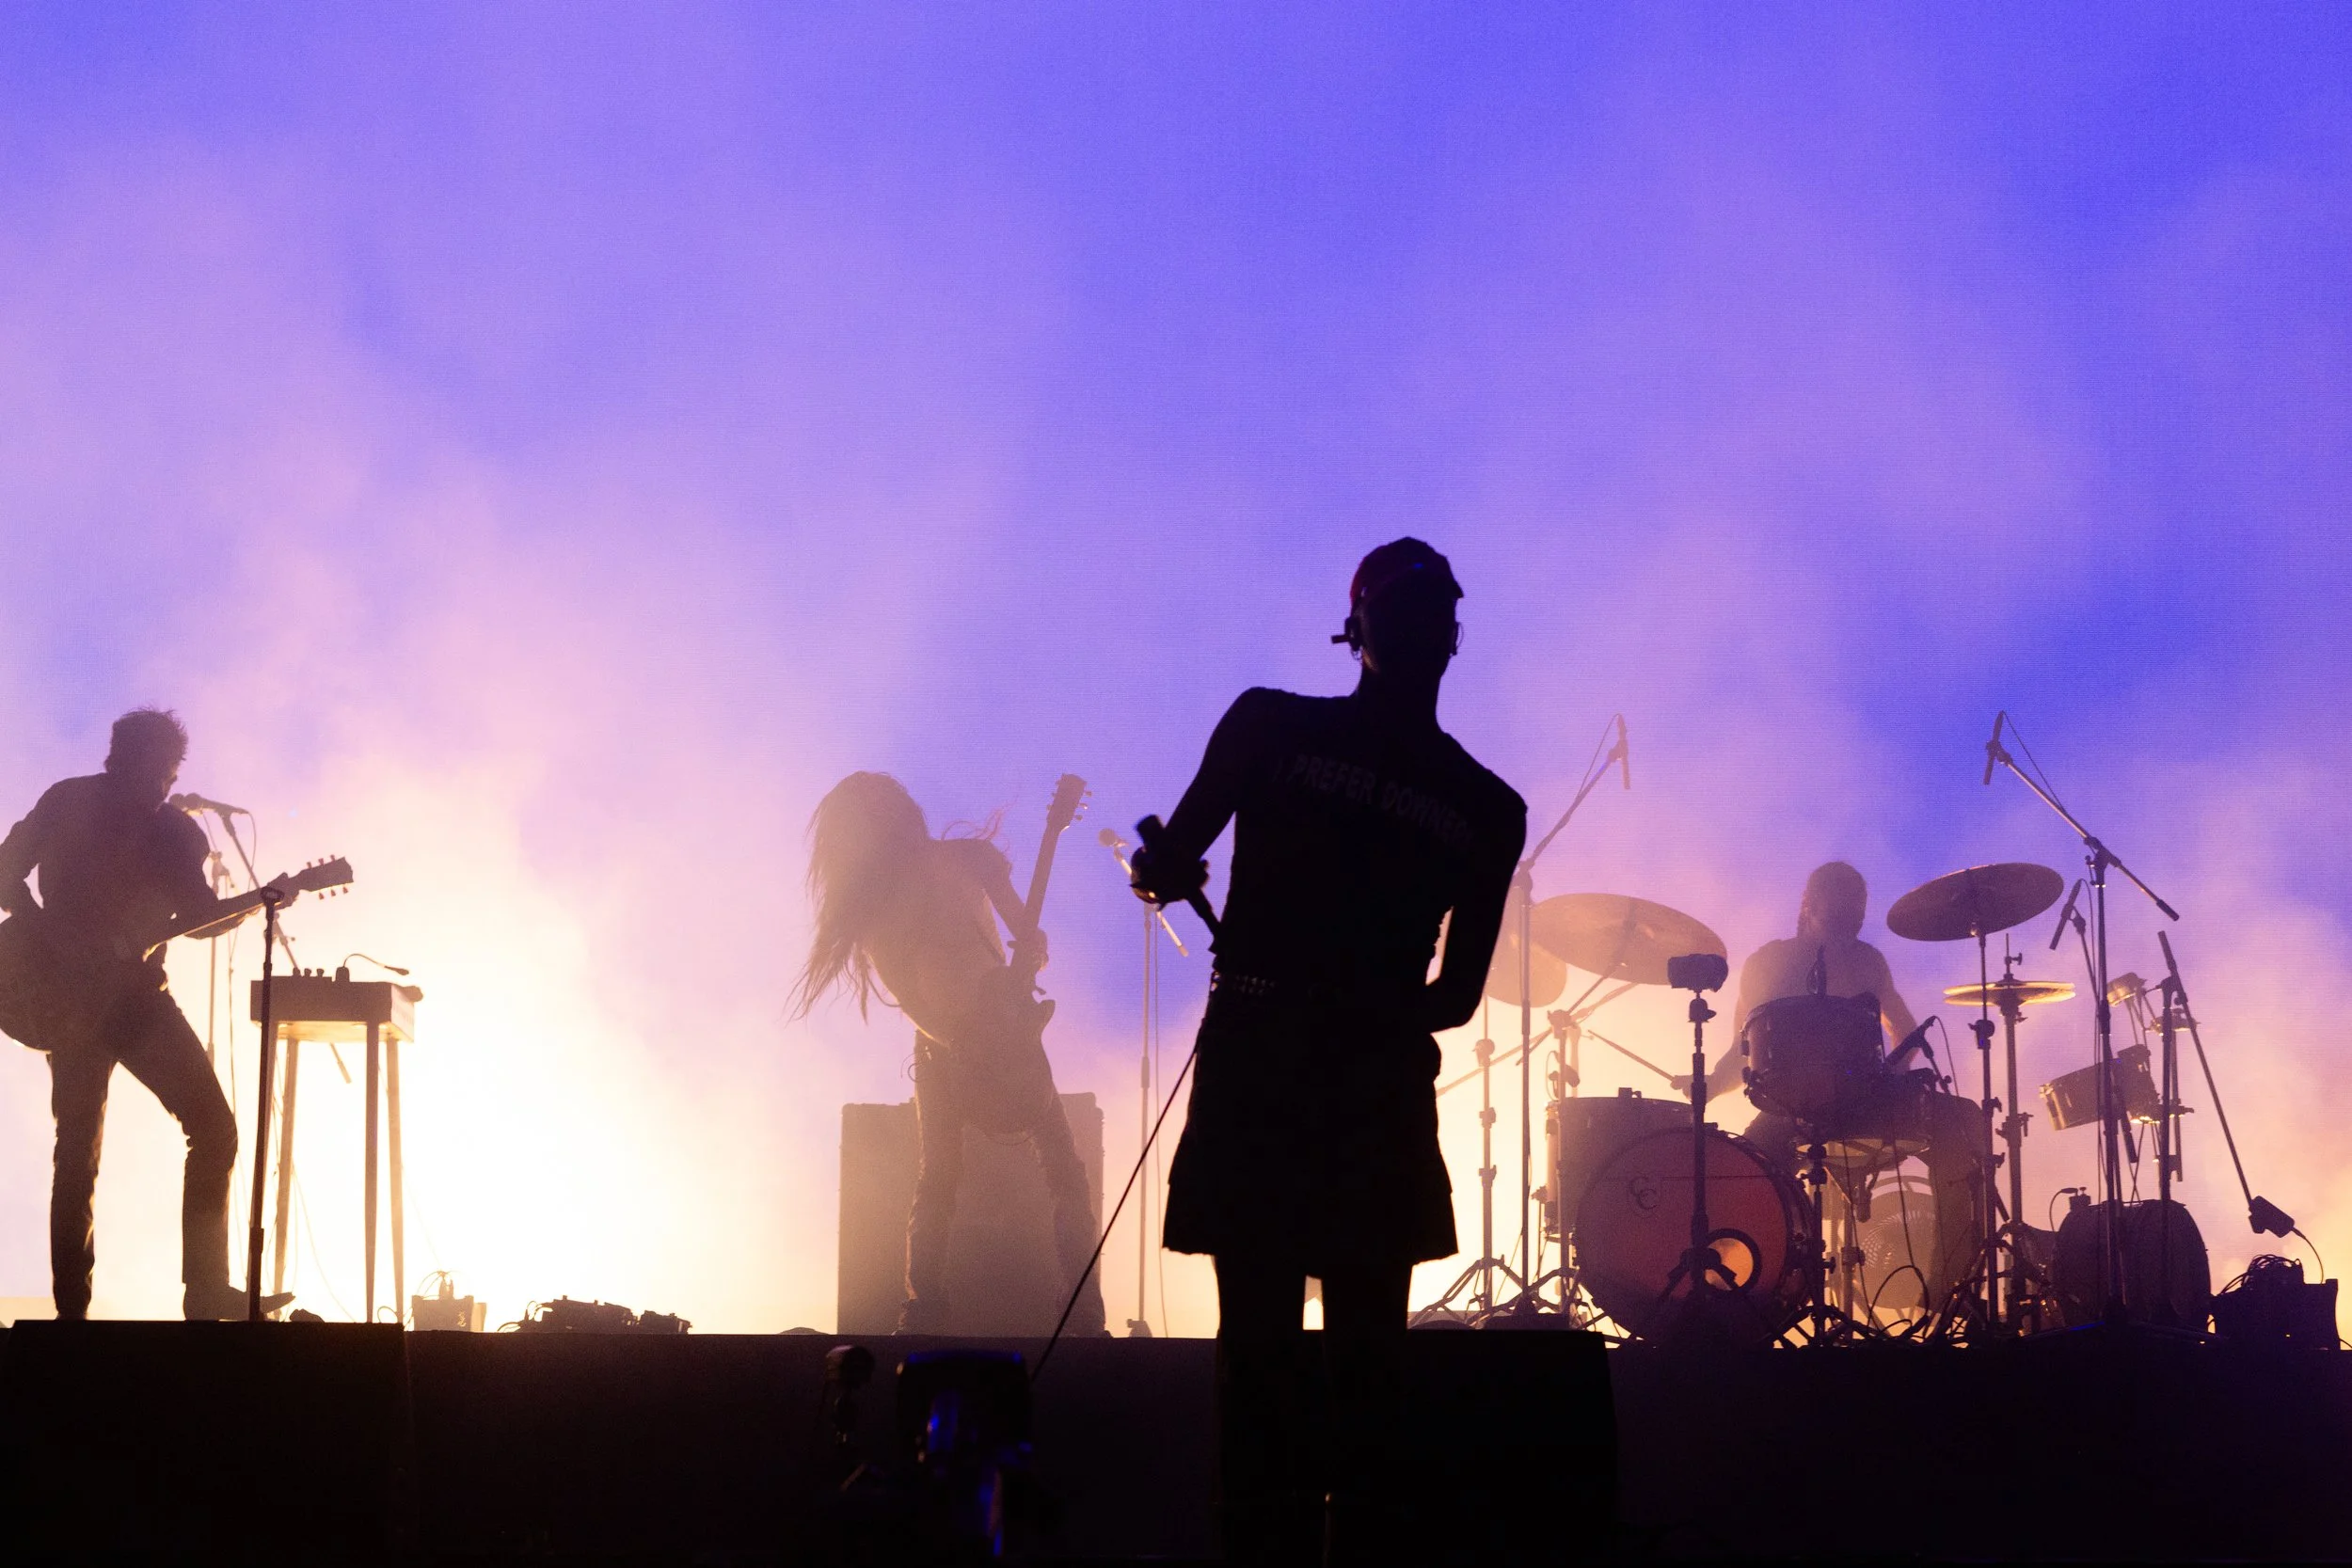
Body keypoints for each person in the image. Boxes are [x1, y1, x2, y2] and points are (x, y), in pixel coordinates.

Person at [1130, 539, 1525, 1565]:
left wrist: (1164, 872)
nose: (1423, 629)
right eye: (1411, 612)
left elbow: (1462, 989)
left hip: (1304, 1075)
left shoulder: (1286, 731)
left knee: (1302, 1360)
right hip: (1340, 1082)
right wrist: (1163, 868)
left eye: (1429, 613)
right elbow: (1454, 995)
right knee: (1323, 1358)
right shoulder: (1471, 800)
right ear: (1370, 632)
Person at [0, 707, 296, 1321]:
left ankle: (205, 1291)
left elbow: (198, 920)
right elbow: (4, 870)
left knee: (211, 1128)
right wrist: (39, 928)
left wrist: (258, 903)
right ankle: (73, 1318)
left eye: (169, 774)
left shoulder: (176, 834)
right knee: (78, 1150)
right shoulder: (68, 803)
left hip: (133, 997)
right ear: (124, 758)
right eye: (157, 770)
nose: (162, 785)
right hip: (73, 999)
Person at [793, 771, 1105, 1336]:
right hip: (972, 1038)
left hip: (970, 1036)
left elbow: (917, 982)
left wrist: (1002, 992)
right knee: (1050, 1170)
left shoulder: (888, 893)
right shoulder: (937, 874)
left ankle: (929, 1310)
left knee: (945, 1177)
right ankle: (1069, 1314)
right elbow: (1012, 948)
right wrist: (990, 1012)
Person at [1682, 861, 1986, 1311]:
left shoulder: (1869, 961)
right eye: (1842, 910)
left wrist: (1894, 1082)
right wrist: (1706, 1085)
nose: (1853, 920)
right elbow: (1742, 1052)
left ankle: (1949, 1292)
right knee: (1751, 1169)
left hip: (1864, 1104)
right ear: (1808, 906)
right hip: (1790, 1109)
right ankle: (1767, 1298)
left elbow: (1905, 1031)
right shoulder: (1768, 962)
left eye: (1858, 912)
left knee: (1962, 1123)